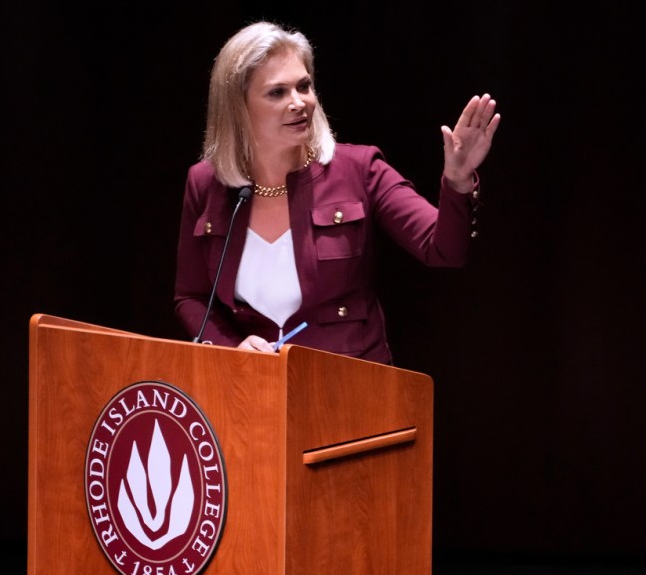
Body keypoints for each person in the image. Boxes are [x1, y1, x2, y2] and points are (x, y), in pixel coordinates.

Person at [174, 21, 499, 364]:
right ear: (238, 107)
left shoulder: (359, 168)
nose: (299, 102)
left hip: (350, 389)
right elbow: (191, 297)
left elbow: (444, 250)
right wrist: (232, 349)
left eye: (304, 86)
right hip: (255, 393)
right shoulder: (206, 184)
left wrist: (458, 179)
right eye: (277, 92)